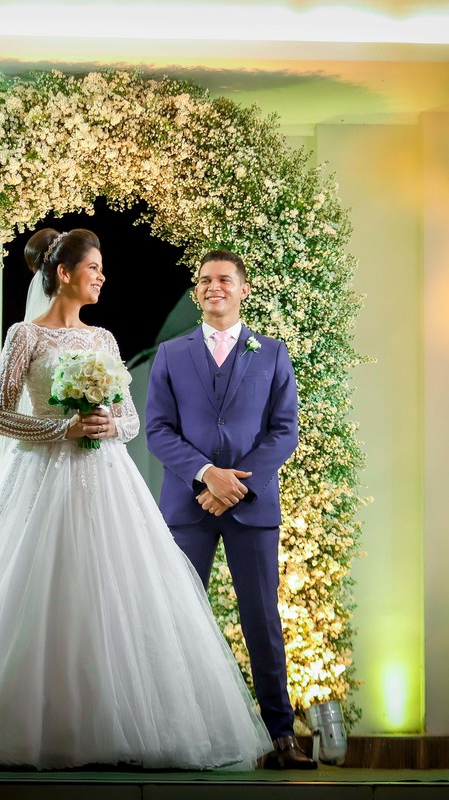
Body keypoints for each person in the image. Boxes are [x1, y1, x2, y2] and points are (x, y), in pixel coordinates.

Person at [0, 229, 271, 770]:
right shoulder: (25, 336)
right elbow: (0, 417)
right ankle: (27, 728)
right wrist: (60, 429)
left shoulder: (104, 340)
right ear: (63, 274)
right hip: (40, 480)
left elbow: (131, 421)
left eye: (102, 268)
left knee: (112, 588)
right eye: (94, 267)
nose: (102, 277)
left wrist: (109, 425)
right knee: (36, 588)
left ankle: (118, 726)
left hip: (105, 480)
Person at [145, 249, 315, 770]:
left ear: (243, 289)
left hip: (252, 506)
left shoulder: (273, 353)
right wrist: (206, 474)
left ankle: (280, 737)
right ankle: (175, 735)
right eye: (204, 280)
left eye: (223, 279)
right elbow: (158, 430)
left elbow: (284, 430)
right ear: (196, 292)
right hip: (188, 505)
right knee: (178, 618)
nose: (212, 286)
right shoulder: (170, 354)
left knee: (262, 619)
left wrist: (235, 485)